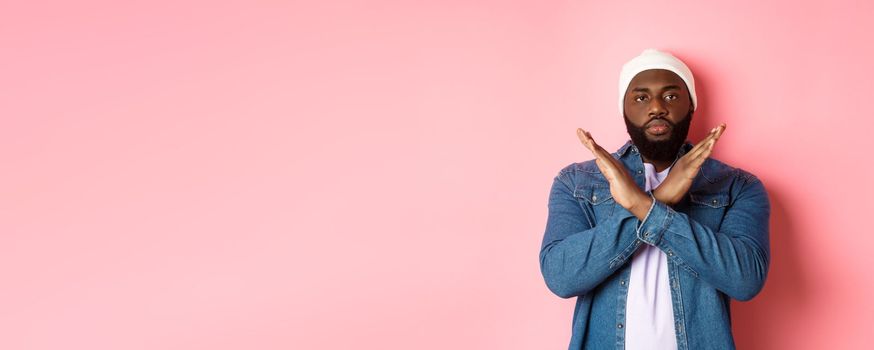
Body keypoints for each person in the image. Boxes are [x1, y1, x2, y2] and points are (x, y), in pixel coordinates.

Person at [539, 49, 771, 349]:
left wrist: (642, 205)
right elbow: (562, 277)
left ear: (691, 107)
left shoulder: (736, 187)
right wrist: (661, 199)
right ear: (624, 109)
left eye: (672, 96)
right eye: (641, 97)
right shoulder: (577, 183)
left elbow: (745, 280)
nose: (657, 107)